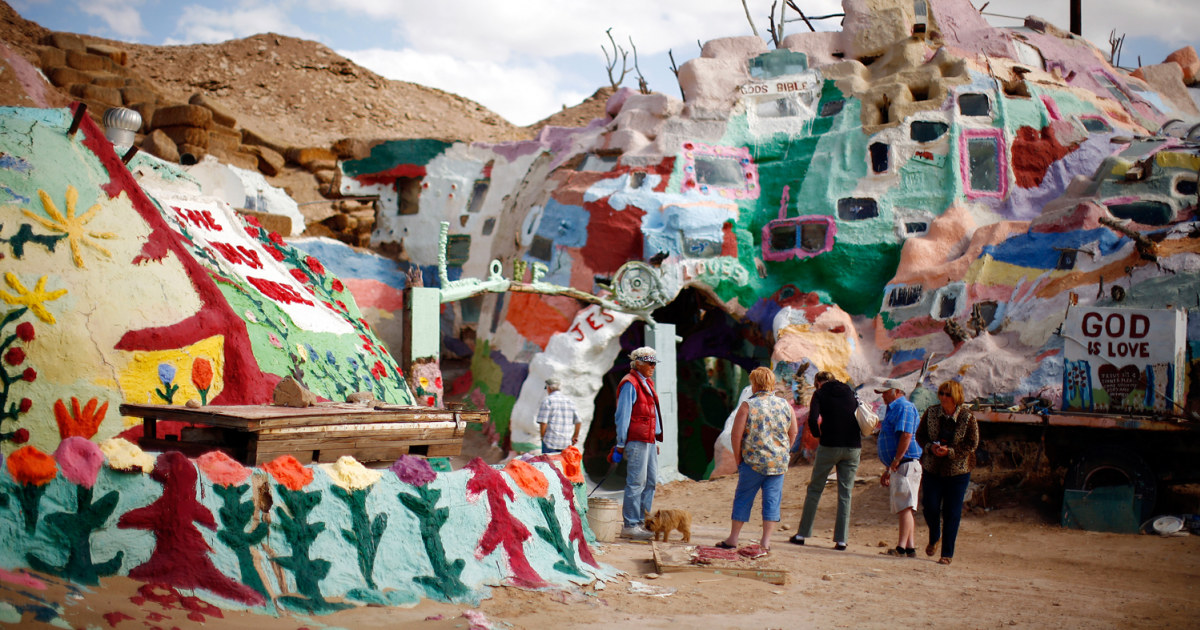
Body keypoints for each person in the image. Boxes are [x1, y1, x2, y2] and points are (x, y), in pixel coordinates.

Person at [718, 367, 798, 554]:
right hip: (777, 463)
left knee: (743, 498)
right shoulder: (785, 405)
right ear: (771, 383)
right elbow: (793, 431)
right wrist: (784, 451)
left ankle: (733, 538)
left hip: (752, 462)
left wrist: (738, 458)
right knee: (772, 501)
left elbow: (736, 436)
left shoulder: (748, 406)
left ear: (754, 384)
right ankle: (765, 542)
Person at [790, 371, 862, 550]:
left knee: (815, 489)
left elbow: (813, 419)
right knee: (845, 493)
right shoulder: (849, 391)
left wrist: (818, 435)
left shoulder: (820, 394)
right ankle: (842, 540)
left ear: (817, 382)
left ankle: (802, 534)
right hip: (853, 446)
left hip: (829, 445)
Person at [915, 379, 979, 565]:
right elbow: (920, 435)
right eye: (941, 393)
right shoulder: (931, 412)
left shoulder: (967, 417)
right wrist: (930, 448)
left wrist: (950, 452)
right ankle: (935, 534)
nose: (943, 397)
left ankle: (947, 553)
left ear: (956, 396)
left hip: (958, 471)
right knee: (930, 505)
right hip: (933, 468)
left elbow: (972, 443)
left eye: (948, 394)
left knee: (952, 511)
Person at [614, 346, 663, 540]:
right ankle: (630, 524)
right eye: (649, 363)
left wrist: (654, 437)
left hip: (648, 440)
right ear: (638, 363)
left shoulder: (646, 383)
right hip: (637, 440)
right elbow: (623, 415)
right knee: (636, 482)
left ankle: (643, 522)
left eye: (654, 364)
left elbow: (652, 415)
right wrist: (620, 443)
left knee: (650, 482)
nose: (653, 367)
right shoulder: (630, 383)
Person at [875, 378, 922, 558]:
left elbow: (906, 435)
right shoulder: (893, 409)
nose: (883, 396)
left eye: (886, 392)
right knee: (905, 505)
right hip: (899, 464)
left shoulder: (905, 407)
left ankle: (901, 547)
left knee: (905, 506)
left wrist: (896, 459)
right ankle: (910, 547)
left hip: (905, 463)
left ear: (897, 391)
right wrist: (889, 468)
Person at [536, 377, 580, 455]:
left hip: (550, 442)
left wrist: (543, 437)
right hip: (566, 443)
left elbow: (543, 423)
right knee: (562, 462)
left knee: (549, 462)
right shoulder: (569, 401)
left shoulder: (547, 401)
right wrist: (575, 436)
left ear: (548, 388)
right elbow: (578, 422)